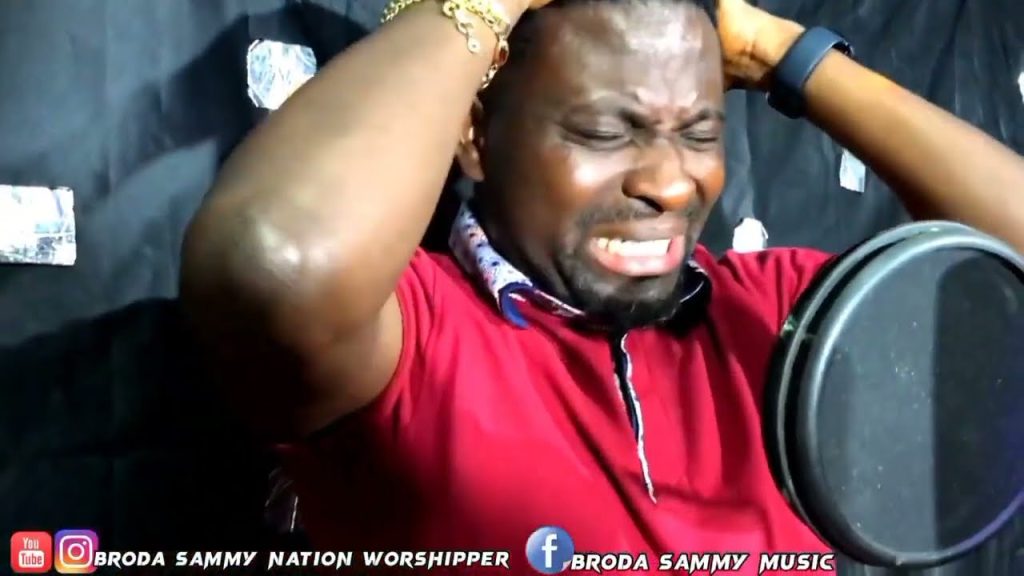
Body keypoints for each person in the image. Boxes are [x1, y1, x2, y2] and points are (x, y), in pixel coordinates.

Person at [180, 0, 1024, 572]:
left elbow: (1006, 275)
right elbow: (277, 262)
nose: (669, 182)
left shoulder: (778, 316)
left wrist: (782, 53)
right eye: (603, 131)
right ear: (475, 136)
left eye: (699, 133)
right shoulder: (409, 338)